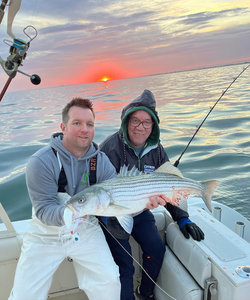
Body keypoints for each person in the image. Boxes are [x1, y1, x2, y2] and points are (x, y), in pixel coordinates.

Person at [8, 98, 121, 300]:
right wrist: (71, 213)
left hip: (86, 229)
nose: (84, 129)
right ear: (63, 127)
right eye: (77, 123)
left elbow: (119, 195)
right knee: (25, 294)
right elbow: (43, 210)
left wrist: (143, 203)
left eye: (90, 124)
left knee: (110, 280)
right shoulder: (40, 162)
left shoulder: (101, 161)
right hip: (46, 233)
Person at [99, 89, 204, 300]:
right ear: (126, 122)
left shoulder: (157, 150)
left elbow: (167, 184)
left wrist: (182, 217)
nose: (140, 127)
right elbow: (100, 190)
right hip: (112, 213)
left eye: (147, 122)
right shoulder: (109, 148)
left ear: (154, 125)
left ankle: (145, 293)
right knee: (125, 264)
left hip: (140, 210)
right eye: (135, 121)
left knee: (156, 248)